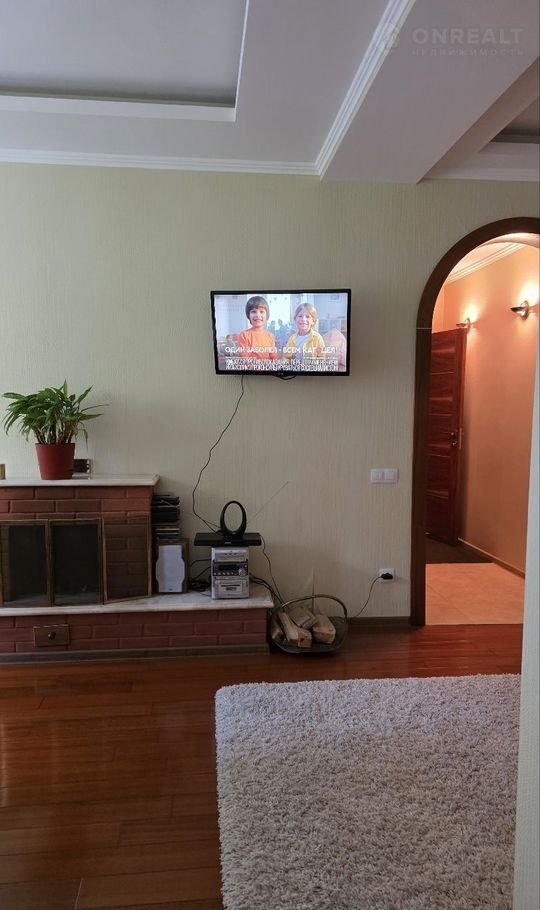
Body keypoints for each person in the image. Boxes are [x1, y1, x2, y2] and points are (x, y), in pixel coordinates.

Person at [236, 296, 278, 361]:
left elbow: (274, 358)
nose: (258, 315)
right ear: (248, 315)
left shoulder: (270, 336)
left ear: (267, 315)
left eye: (261, 312)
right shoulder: (244, 335)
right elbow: (245, 359)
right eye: (253, 312)